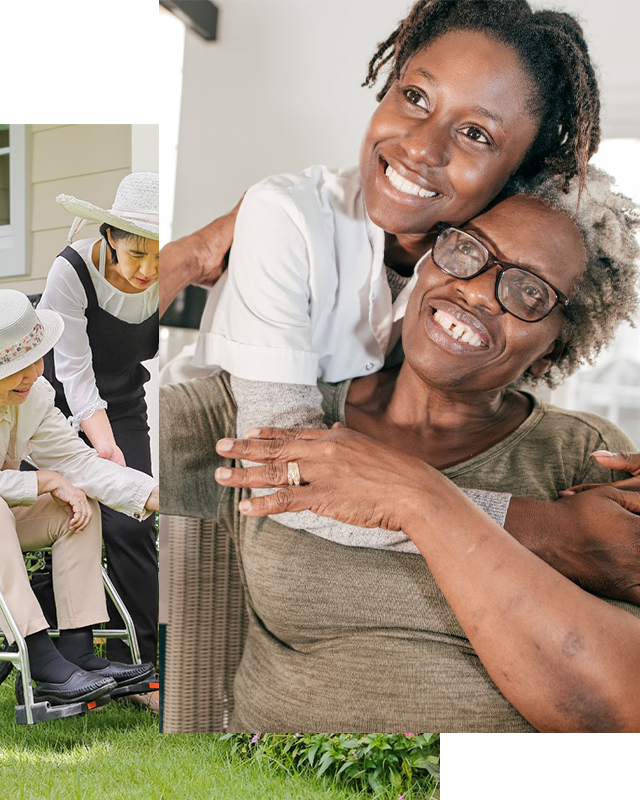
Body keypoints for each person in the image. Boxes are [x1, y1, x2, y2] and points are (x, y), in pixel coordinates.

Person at [160, 0, 640, 589]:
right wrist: (555, 532)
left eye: (474, 133)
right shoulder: (288, 218)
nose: (420, 147)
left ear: (519, 176)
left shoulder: (488, 278)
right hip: (196, 497)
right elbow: (280, 473)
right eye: (415, 97)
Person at [161, 168, 640, 731]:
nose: (478, 291)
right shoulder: (272, 418)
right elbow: (77, 429)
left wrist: (418, 498)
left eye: (529, 291)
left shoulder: (585, 456)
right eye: (467, 251)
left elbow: (617, 713)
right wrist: (193, 255)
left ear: (550, 348)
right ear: (426, 263)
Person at [0, 290, 159, 706]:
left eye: (37, 359)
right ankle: (38, 656)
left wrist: (152, 493)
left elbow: (80, 464)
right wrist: (44, 480)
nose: (34, 372)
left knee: (76, 503)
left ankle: (77, 648)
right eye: (17, 365)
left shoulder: (32, 395)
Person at [37, 173, 160, 709]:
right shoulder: (70, 271)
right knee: (80, 516)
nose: (146, 271)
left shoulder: (170, 274)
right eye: (135, 255)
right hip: (60, 406)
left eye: (158, 257)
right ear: (110, 235)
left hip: (127, 401)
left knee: (134, 526)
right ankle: (66, 648)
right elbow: (74, 372)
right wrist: (103, 449)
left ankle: (155, 667)